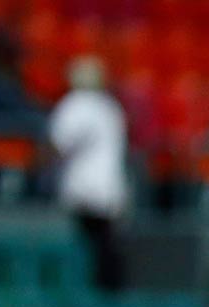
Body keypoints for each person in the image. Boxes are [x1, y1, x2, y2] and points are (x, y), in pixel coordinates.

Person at [47, 56, 128, 291]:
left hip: (82, 188)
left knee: (81, 248)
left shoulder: (75, 103)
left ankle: (85, 295)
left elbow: (58, 144)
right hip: (110, 188)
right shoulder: (110, 106)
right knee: (105, 245)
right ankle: (108, 293)